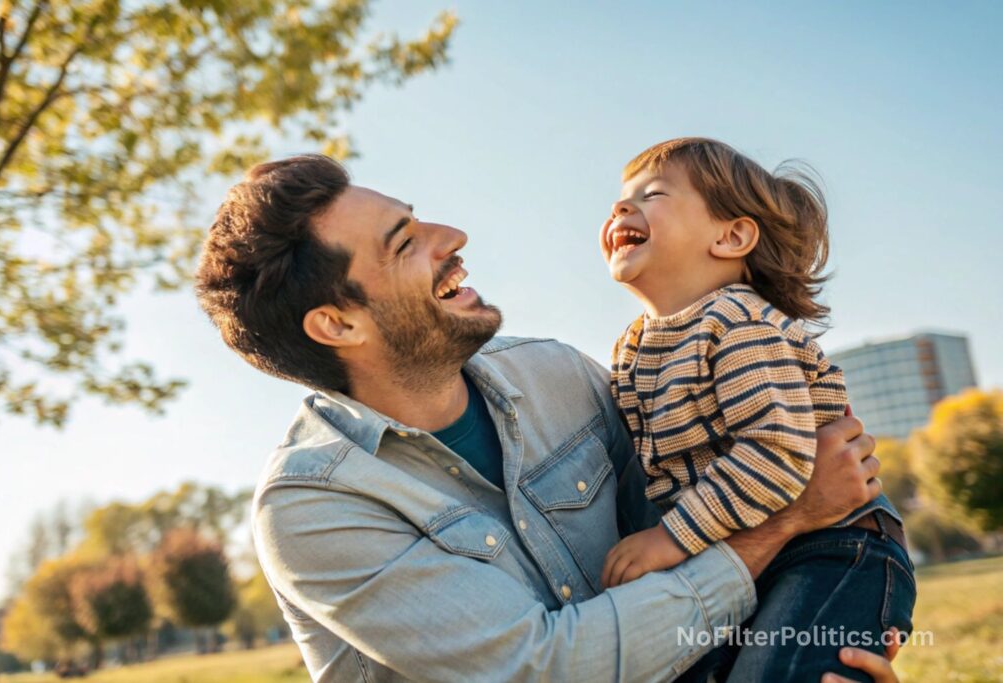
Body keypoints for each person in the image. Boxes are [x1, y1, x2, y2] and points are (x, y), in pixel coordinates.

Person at [194, 153, 903, 682]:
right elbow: (544, 667)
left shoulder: (559, 374)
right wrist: (785, 525)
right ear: (337, 324)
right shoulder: (313, 507)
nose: (453, 236)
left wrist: (814, 641)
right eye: (405, 242)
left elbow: (708, 496)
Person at [597, 138, 915, 681]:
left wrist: (669, 538)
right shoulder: (633, 347)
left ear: (732, 236)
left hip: (833, 547)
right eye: (620, 200)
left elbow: (775, 454)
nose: (620, 210)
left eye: (652, 194)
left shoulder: (736, 322)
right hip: (732, 558)